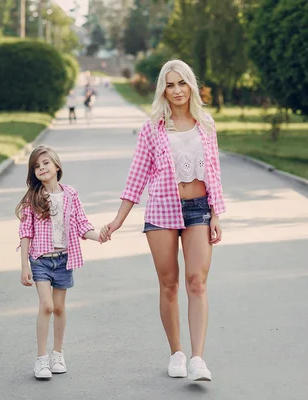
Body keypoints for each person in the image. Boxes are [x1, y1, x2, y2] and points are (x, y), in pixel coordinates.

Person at [100, 59, 225, 382]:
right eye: (170, 85)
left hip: (198, 210)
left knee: (196, 281)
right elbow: (137, 176)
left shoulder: (206, 124)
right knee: (169, 284)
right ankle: (177, 353)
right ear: (163, 89)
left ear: (191, 86)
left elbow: (214, 173)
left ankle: (198, 358)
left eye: (181, 83)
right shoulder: (152, 127)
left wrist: (216, 214)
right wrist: (117, 220)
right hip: (161, 210)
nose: (177, 90)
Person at [15, 144, 107, 380]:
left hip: (63, 259)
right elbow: (26, 233)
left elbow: (81, 225)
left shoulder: (71, 195)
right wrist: (25, 264)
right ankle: (41, 359)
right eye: (36, 166)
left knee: (59, 308)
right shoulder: (33, 199)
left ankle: (58, 354)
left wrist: (99, 236)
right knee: (46, 306)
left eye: (45, 163)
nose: (41, 168)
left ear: (57, 166)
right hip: (40, 260)